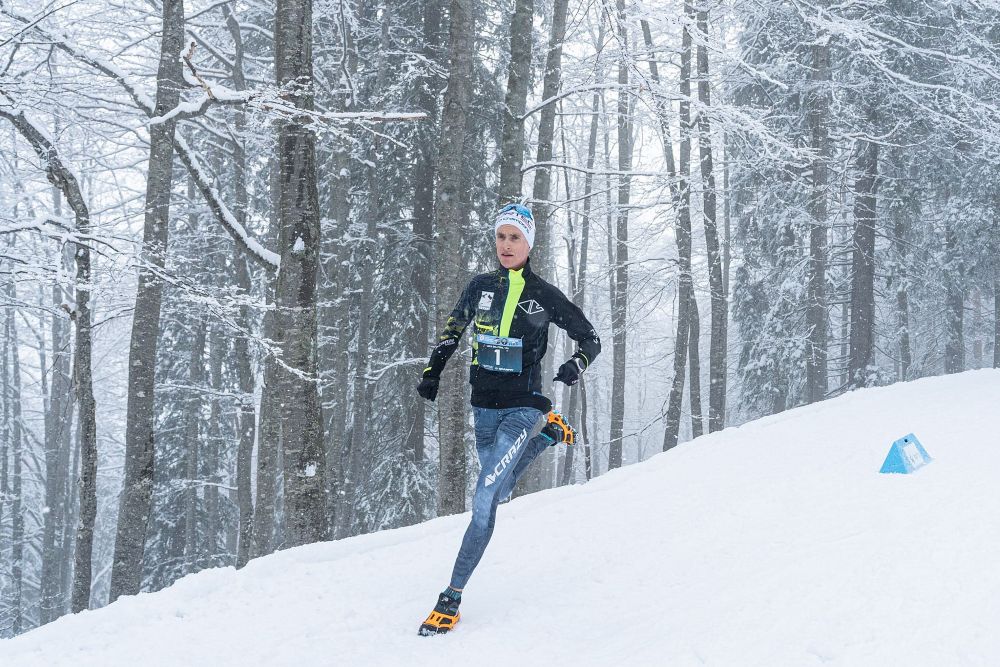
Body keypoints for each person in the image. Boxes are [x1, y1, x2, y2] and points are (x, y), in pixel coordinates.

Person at [416, 204, 601, 636]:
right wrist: (432, 372)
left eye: (514, 238)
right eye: (500, 237)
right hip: (482, 407)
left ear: (528, 243)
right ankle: (552, 435)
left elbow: (589, 338)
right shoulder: (479, 287)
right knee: (496, 492)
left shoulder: (543, 294)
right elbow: (452, 332)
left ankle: (451, 598)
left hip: (522, 406)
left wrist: (576, 364)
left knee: (482, 499)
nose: (506, 245)